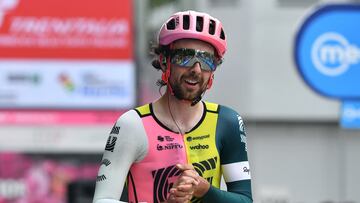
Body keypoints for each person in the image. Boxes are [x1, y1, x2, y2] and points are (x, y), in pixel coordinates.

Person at [92, 10, 252, 203]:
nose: (196, 69)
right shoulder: (132, 125)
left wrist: (205, 189)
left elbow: (245, 200)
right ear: (164, 61)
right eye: (185, 56)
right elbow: (102, 200)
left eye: (206, 60)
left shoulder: (228, 122)